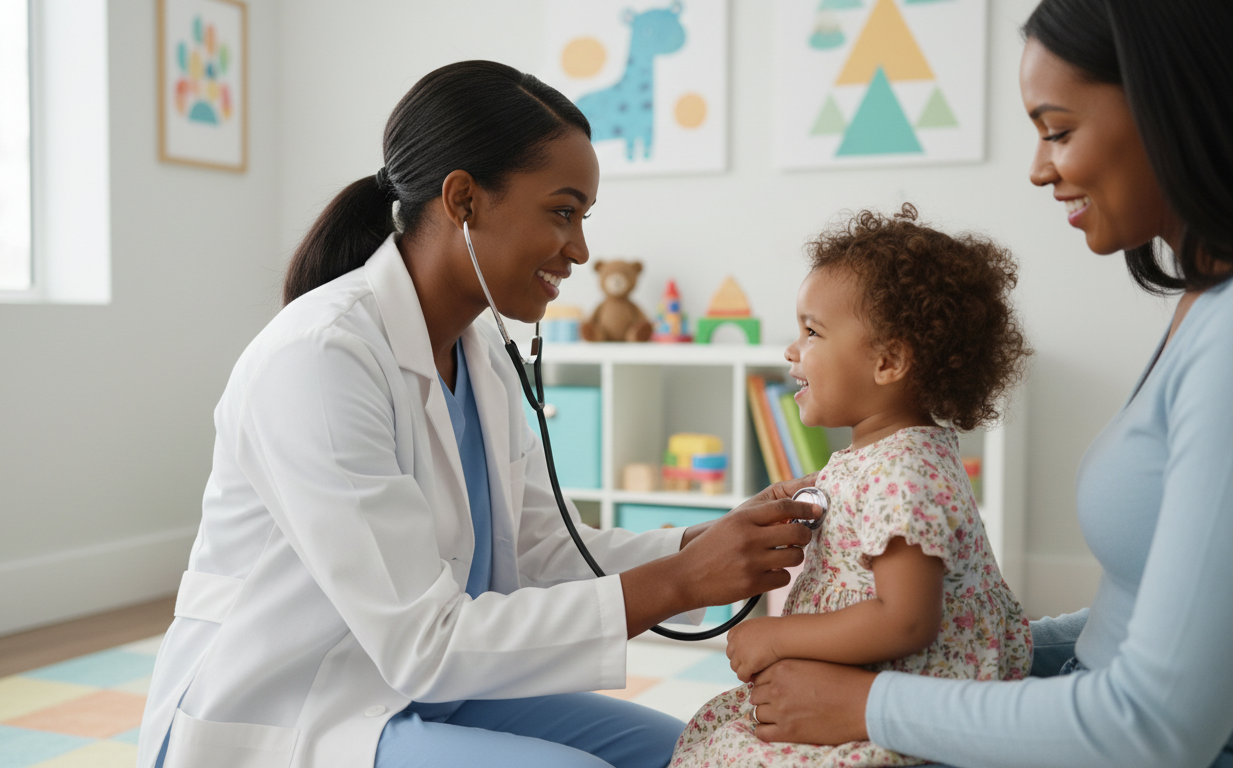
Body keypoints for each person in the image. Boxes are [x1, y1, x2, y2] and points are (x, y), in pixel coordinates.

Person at [135, 60, 822, 768]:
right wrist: (679, 581)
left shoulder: (481, 352)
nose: (581, 250)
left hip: (432, 690)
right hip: (295, 707)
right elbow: (420, 642)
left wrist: (710, 545)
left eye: (584, 218)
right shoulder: (320, 360)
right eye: (562, 211)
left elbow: (542, 553)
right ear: (463, 200)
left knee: (693, 752)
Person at [744, 1, 1233, 766]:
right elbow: (1136, 617)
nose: (1039, 167)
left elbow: (1159, 728)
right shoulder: (1201, 310)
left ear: (1171, 101)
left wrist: (870, 702)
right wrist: (984, 658)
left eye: (1059, 129)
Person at [670, 207, 1034, 768]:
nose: (792, 350)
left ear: (888, 361)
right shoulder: (883, 457)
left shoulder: (903, 472)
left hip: (898, 701)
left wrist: (779, 638)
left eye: (811, 332)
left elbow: (905, 618)